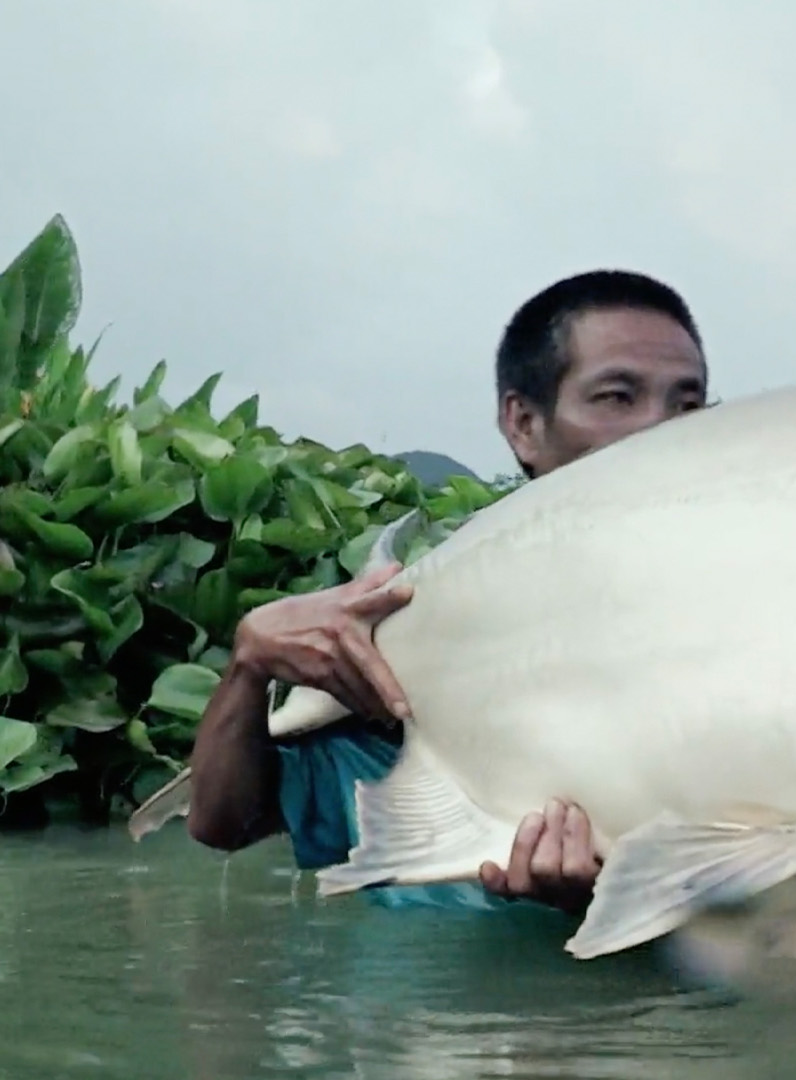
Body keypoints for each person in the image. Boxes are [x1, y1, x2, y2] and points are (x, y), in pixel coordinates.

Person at [186, 269, 710, 916]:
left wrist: (627, 891)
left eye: (687, 406)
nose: (660, 430)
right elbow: (224, 825)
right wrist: (248, 664)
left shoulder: (751, 633)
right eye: (616, 397)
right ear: (523, 423)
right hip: (410, 1008)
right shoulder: (411, 627)